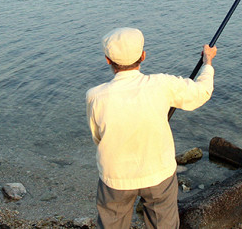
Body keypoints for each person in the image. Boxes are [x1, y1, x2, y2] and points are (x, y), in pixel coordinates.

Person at [86, 28, 216, 229]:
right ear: (143, 56)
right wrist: (207, 63)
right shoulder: (162, 84)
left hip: (115, 178)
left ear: (107, 60)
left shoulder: (95, 96)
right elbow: (201, 92)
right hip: (158, 174)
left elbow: (97, 136)